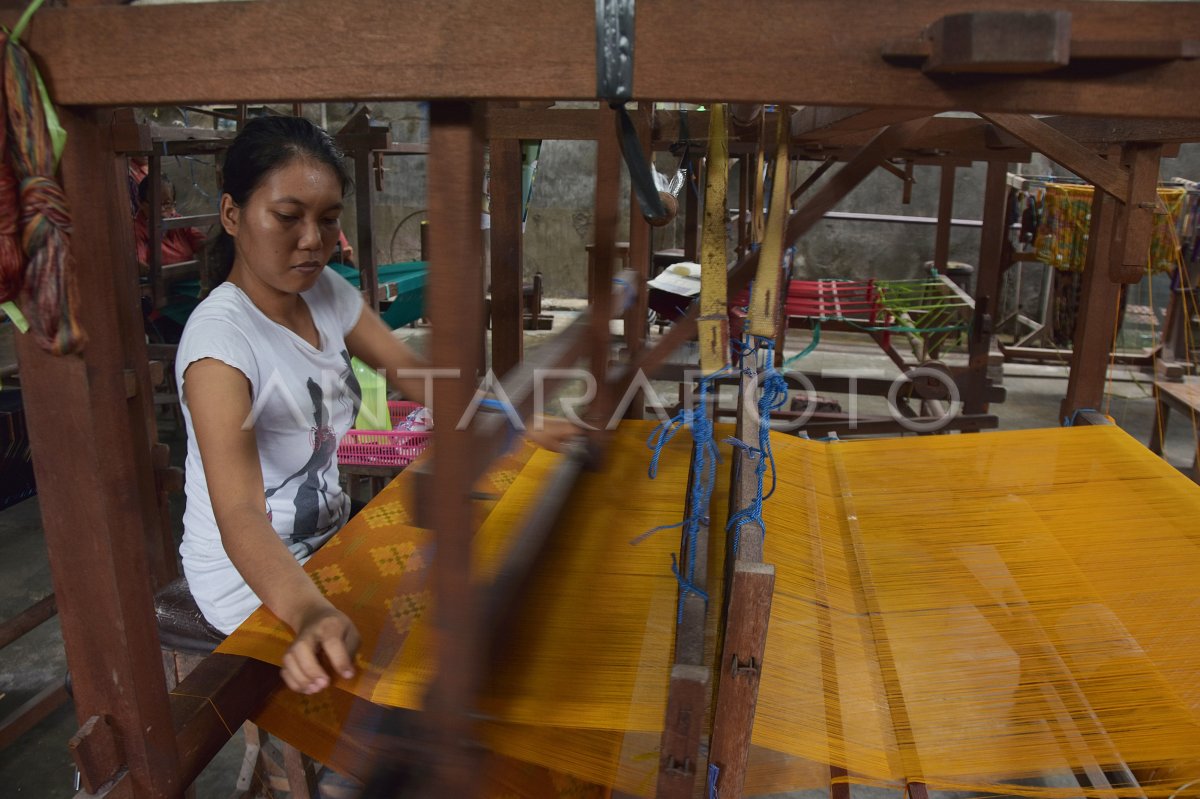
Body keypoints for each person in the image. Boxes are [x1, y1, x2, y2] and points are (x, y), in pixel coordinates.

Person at [176, 116, 574, 700]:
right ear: (233, 214)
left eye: (327, 218)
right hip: (252, 580)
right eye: (288, 217)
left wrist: (517, 421)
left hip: (328, 538)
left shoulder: (325, 290)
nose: (312, 239)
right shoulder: (221, 345)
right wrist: (310, 614)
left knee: (507, 618)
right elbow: (238, 514)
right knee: (435, 684)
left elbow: (414, 375)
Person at [134, 174, 207, 274]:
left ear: (174, 204)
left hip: (190, 279)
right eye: (155, 204)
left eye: (167, 203)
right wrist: (157, 274)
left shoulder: (178, 222)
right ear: (140, 203)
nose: (162, 210)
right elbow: (138, 264)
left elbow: (204, 244)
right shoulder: (137, 230)